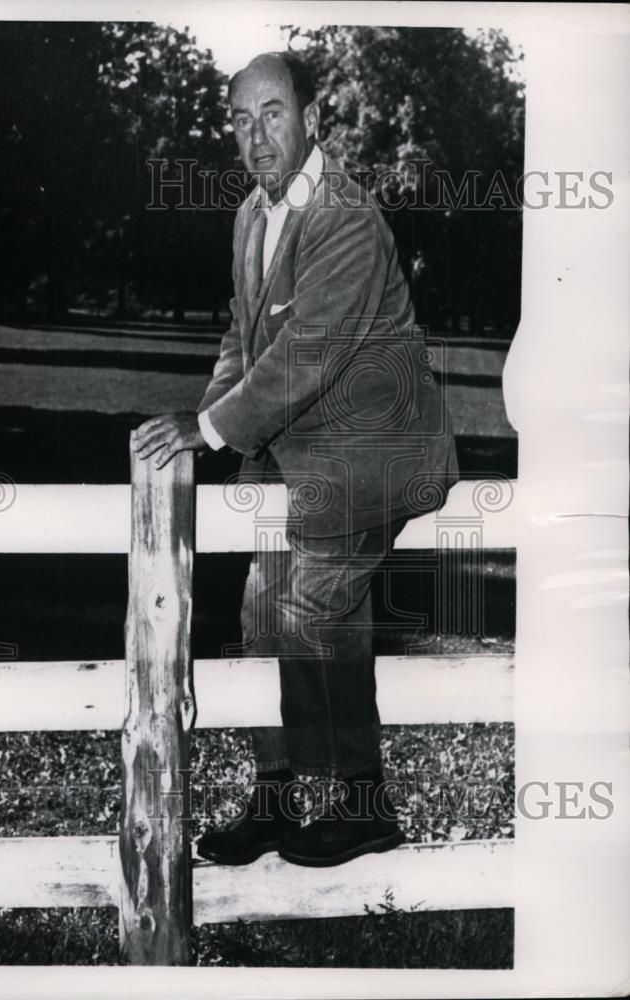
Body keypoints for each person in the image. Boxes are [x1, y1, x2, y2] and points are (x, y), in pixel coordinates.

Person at [132, 51, 458, 867]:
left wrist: (209, 433)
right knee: (257, 616)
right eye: (240, 120)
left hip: (371, 456)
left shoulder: (344, 216)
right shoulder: (251, 214)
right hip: (296, 457)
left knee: (315, 607)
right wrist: (207, 419)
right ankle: (276, 801)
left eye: (272, 113)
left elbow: (305, 353)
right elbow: (242, 344)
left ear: (312, 119)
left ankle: (363, 802)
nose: (255, 135)